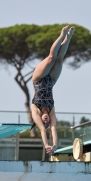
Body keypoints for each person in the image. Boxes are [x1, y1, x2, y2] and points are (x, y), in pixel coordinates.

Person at [31, 25, 75, 155]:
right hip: (51, 81)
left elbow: (44, 131)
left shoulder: (35, 111)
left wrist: (46, 145)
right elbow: (53, 130)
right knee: (60, 60)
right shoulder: (52, 113)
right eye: (47, 123)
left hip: (38, 78)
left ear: (40, 119)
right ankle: (69, 37)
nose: (46, 122)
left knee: (51, 58)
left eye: (43, 122)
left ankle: (61, 35)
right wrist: (54, 146)